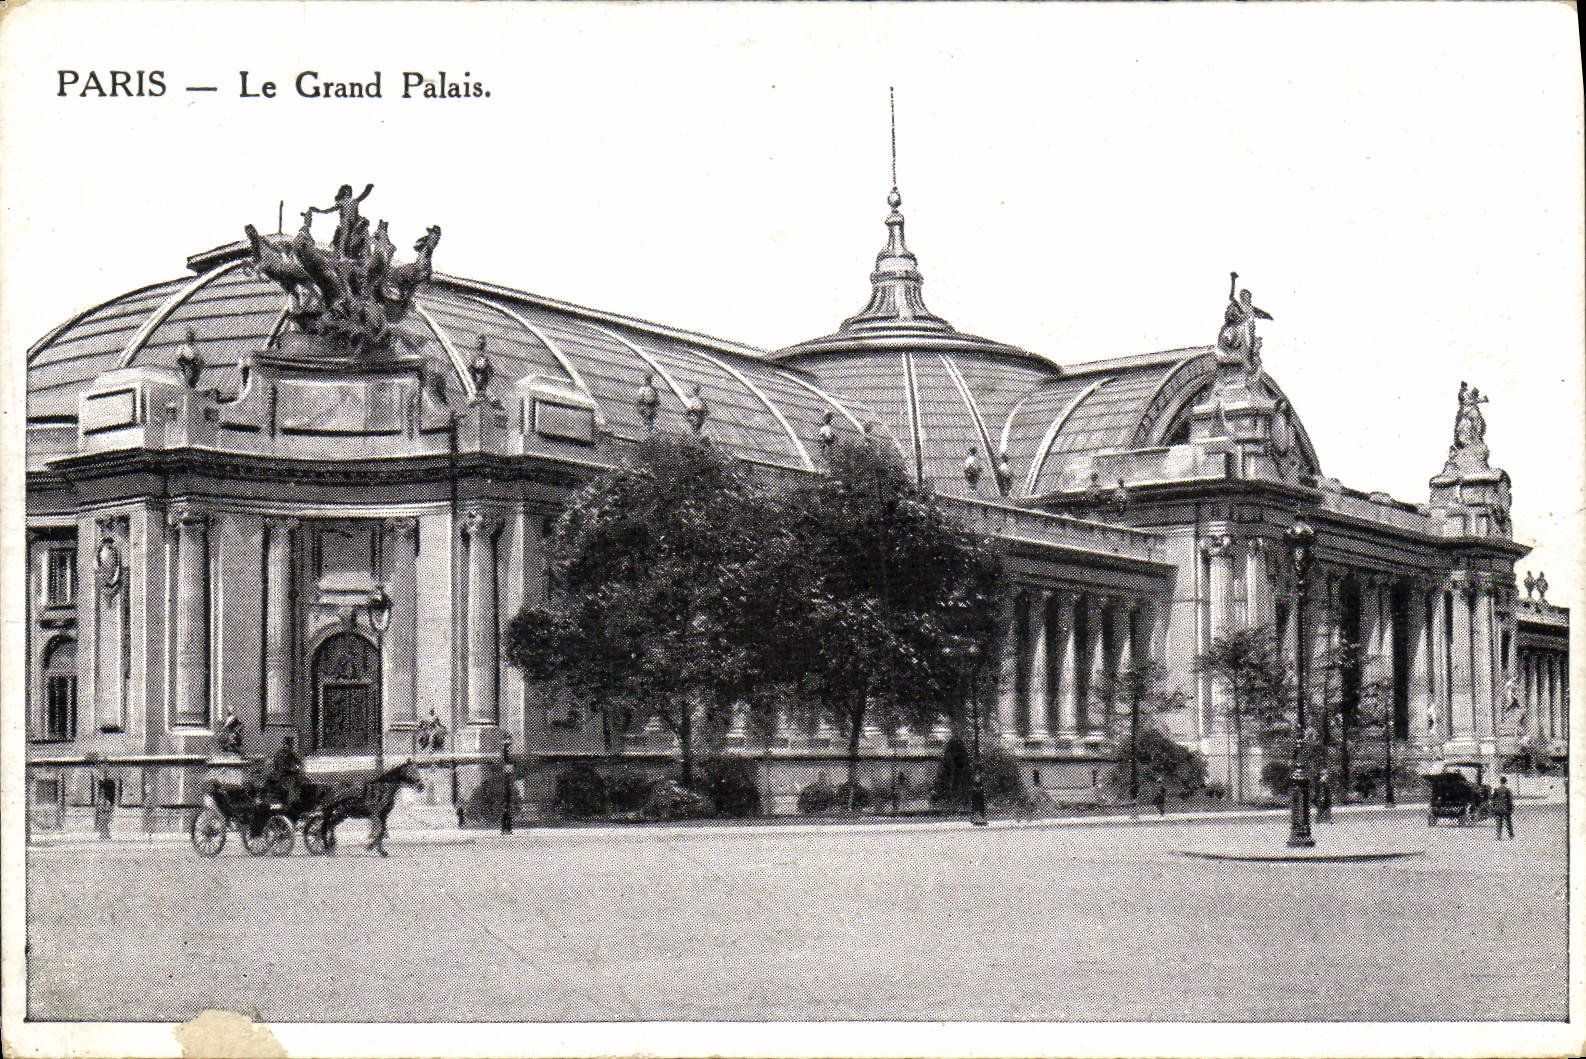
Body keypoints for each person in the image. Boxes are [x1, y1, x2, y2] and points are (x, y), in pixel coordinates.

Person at [266, 734, 305, 809]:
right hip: (285, 775)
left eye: (290, 744)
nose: (290, 746)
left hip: (283, 775)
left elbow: (299, 763)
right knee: (289, 789)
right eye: (290, 744)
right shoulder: (287, 753)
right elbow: (298, 763)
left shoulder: (284, 753)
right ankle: (288, 804)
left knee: (288, 789)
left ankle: (287, 803)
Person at [1491, 775, 1516, 840]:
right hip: (1506, 808)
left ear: (1500, 782)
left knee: (1499, 822)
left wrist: (1493, 807)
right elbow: (1509, 800)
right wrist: (1511, 808)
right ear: (1506, 782)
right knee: (1508, 822)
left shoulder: (1496, 790)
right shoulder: (1507, 790)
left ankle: (1499, 835)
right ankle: (1511, 835)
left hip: (1498, 808)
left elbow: (1493, 800)